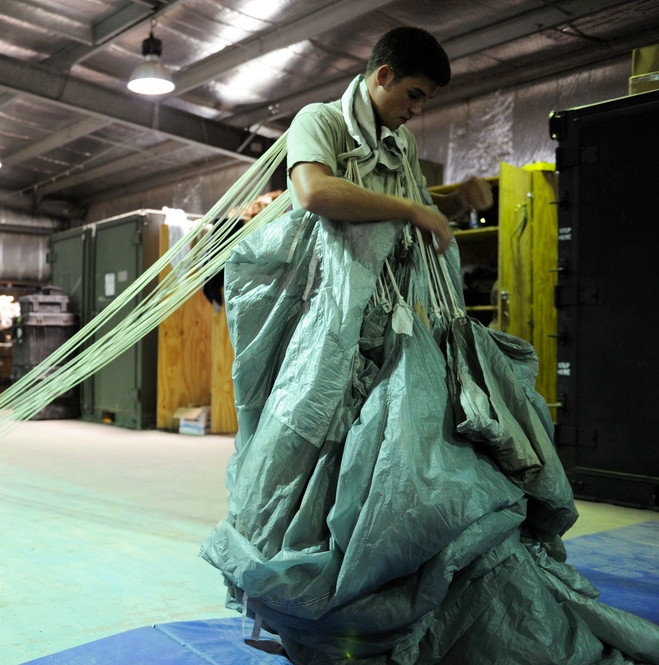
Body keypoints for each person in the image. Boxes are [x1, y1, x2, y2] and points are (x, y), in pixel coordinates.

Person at [200, 26, 659, 664]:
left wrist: (438, 213)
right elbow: (314, 192)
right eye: (413, 94)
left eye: (425, 101)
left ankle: (396, 598)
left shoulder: (402, 146)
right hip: (329, 328)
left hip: (387, 324)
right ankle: (321, 605)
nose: (417, 110)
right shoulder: (321, 121)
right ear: (383, 75)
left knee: (404, 457)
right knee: (314, 459)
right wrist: (413, 211)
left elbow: (417, 229)